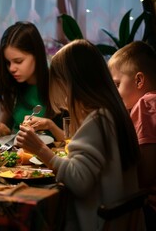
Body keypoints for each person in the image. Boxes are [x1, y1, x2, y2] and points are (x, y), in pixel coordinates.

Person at [15, 39, 143, 230]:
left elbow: (79, 181)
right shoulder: (114, 113)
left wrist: (40, 149)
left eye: (62, 86)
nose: (64, 98)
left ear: (73, 83)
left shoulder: (98, 120)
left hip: (98, 224)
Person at [0, 21, 67, 141]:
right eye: (8, 62)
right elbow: (7, 135)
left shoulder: (59, 86)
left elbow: (71, 141)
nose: (11, 68)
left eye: (18, 61)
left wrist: (50, 125)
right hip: (17, 155)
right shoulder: (13, 87)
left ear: (37, 55)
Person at [108, 41, 156, 231]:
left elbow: (145, 175)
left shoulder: (145, 105)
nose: (114, 92)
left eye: (117, 84)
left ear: (138, 80)